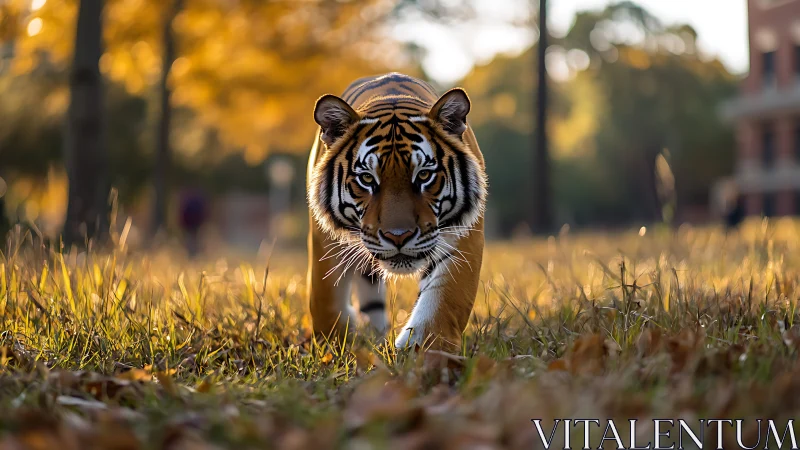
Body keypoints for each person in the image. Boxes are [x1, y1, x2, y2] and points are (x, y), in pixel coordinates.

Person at [179, 188, 208, 257]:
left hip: (188, 225)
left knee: (190, 240)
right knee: (196, 239)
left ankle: (191, 254)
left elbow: (182, 214)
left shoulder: (186, 200)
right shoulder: (199, 201)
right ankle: (196, 254)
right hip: (196, 224)